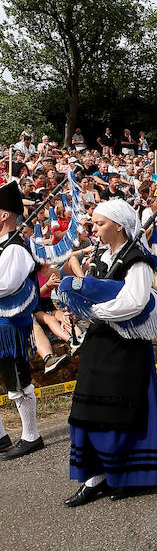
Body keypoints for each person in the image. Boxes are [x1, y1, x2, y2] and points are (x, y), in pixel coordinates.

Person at [64, 200, 157, 505]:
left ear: (119, 225)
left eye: (100, 223)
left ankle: (128, 474)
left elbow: (135, 301)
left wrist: (92, 311)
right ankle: (96, 476)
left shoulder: (137, 260)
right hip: (100, 341)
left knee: (122, 408)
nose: (94, 229)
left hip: (125, 345)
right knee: (88, 407)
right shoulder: (100, 255)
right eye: (93, 224)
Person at [0, 179, 45, 459]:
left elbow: (6, 284)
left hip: (10, 326)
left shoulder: (15, 247)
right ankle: (2, 437)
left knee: (16, 377)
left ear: (4, 214)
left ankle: (31, 435)